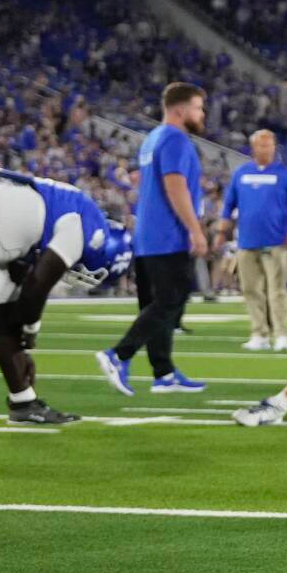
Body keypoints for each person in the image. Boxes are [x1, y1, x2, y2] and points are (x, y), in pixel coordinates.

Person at [0, 167, 127, 422]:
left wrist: (21, 343)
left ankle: (23, 403)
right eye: (92, 270)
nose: (82, 273)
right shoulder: (81, 226)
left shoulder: (72, 212)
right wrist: (30, 332)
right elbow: (36, 288)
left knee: (4, 320)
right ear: (100, 246)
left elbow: (22, 274)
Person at [96, 82, 211, 395]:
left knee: (158, 303)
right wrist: (194, 229)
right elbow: (175, 186)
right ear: (180, 109)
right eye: (198, 107)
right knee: (170, 300)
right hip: (167, 235)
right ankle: (119, 354)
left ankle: (164, 372)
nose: (202, 114)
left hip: (148, 235)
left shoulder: (153, 138)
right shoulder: (175, 139)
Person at [224, 128, 287, 352]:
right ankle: (259, 333)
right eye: (262, 145)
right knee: (251, 290)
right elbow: (228, 203)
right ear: (254, 147)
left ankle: (281, 334)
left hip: (276, 241)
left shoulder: (285, 174)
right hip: (247, 241)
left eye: (270, 145)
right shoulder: (241, 173)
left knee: (277, 290)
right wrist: (224, 224)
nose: (266, 149)